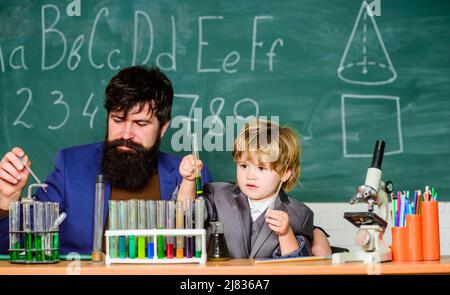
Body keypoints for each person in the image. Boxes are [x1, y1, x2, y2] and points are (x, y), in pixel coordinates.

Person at [0, 65, 212, 254]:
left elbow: (210, 253)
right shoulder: (70, 167)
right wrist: (5, 204)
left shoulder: (190, 176)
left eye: (140, 124)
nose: (126, 134)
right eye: (118, 120)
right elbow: (15, 248)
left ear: (163, 128)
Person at [177, 119, 323, 258]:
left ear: (285, 173)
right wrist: (189, 179)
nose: (250, 175)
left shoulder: (299, 214)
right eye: (243, 166)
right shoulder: (217, 195)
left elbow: (297, 266)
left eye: (261, 168)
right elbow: (187, 214)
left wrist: (286, 234)